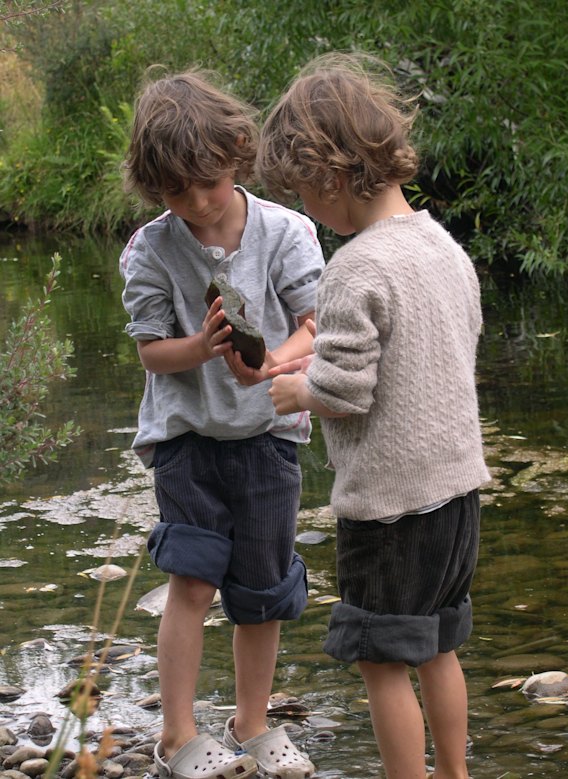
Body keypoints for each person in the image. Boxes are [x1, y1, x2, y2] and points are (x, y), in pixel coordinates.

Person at [256, 52, 491, 779]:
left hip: (390, 508)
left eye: (303, 191)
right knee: (440, 645)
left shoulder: (354, 267)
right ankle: (454, 773)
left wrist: (299, 390)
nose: (306, 208)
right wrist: (321, 364)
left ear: (329, 174)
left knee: (383, 660)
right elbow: (446, 345)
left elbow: (346, 392)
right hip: (457, 491)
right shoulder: (442, 245)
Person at [119, 67, 323, 779]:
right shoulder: (149, 249)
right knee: (192, 581)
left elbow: (315, 324)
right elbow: (151, 351)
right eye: (177, 192)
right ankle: (177, 733)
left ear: (237, 153)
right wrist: (202, 347)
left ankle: (251, 723)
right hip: (187, 439)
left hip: (269, 437)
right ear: (154, 188)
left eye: (208, 182)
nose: (199, 203)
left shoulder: (287, 231)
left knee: (263, 592)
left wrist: (272, 365)